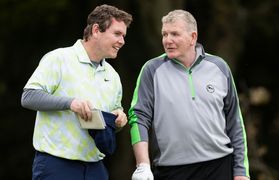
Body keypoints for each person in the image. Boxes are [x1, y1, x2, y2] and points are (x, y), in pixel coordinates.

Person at [129, 9, 250, 180]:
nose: (168, 40)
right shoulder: (151, 70)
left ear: (193, 37)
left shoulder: (219, 67)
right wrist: (143, 165)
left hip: (219, 166)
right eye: (165, 34)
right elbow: (138, 117)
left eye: (175, 34)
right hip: (170, 170)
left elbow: (235, 122)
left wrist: (241, 172)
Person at [21, 4, 132, 180]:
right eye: (117, 34)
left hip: (96, 168)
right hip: (56, 165)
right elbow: (28, 97)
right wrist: (70, 103)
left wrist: (119, 119)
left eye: (123, 36)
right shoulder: (59, 59)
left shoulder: (113, 76)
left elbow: (109, 123)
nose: (122, 41)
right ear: (96, 30)